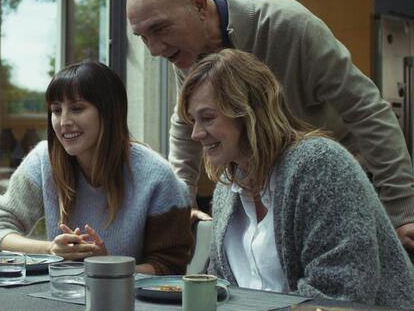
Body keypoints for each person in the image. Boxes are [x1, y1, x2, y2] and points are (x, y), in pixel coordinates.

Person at [125, 0, 414, 252]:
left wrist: (402, 210)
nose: (154, 50)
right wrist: (180, 203)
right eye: (143, 37)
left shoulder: (287, 24)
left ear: (199, 6)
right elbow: (185, 121)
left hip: (334, 180)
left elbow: (366, 109)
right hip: (262, 188)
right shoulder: (186, 51)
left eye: (159, 29)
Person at [177, 49, 414, 308]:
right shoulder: (226, 190)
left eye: (208, 118)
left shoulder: (321, 166)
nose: (196, 134)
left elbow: (340, 294)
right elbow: (223, 290)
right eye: (193, 121)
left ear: (249, 112)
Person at [0, 60, 193, 275]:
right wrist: (50, 249)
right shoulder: (43, 160)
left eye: (77, 108)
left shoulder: (158, 177)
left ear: (109, 112)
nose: (63, 122)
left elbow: (171, 268)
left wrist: (108, 266)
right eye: (56, 110)